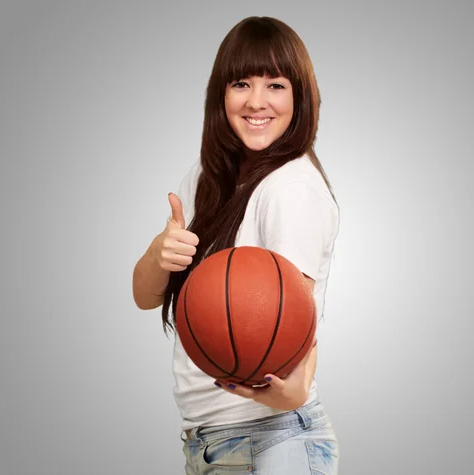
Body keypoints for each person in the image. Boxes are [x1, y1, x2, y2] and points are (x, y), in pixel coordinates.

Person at [132, 16, 340, 474]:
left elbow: (292, 318)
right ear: (220, 94)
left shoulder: (290, 188)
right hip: (214, 441)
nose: (256, 102)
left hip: (270, 441)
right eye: (241, 83)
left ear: (300, 96)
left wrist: (292, 390)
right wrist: (158, 253)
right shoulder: (206, 176)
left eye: (276, 85)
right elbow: (145, 296)